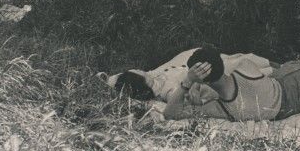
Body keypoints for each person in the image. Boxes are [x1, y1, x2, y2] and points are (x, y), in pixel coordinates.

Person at [163, 46, 300, 122]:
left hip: (281, 111)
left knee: (282, 69)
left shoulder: (218, 109)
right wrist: (196, 82)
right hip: (287, 89)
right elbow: (234, 63)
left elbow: (170, 113)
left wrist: (189, 82)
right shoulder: (243, 67)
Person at [101, 49, 277, 103]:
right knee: (246, 64)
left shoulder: (153, 76)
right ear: (140, 79)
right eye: (136, 72)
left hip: (204, 67)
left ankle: (275, 65)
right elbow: (184, 96)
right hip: (208, 75)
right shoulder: (166, 91)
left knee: (243, 58)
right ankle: (276, 69)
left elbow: (114, 81)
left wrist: (104, 79)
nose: (138, 69)